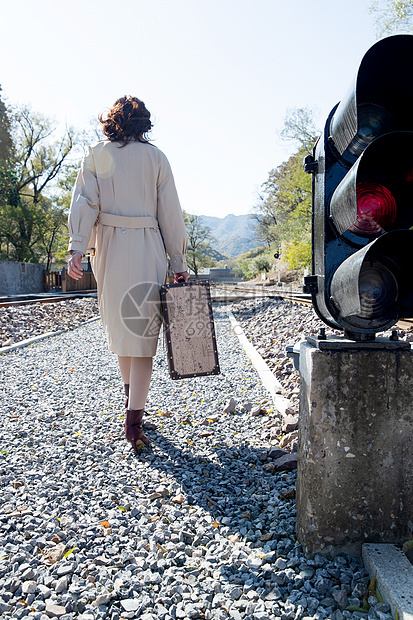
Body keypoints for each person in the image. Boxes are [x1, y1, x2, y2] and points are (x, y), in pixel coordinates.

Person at [67, 96, 189, 453]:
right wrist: (178, 262)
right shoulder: (157, 158)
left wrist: (78, 247)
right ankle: (134, 424)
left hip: (108, 247)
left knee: (122, 331)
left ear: (112, 121)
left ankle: (130, 408)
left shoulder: (97, 153)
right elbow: (171, 214)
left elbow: (85, 202)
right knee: (142, 336)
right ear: (144, 124)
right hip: (148, 245)